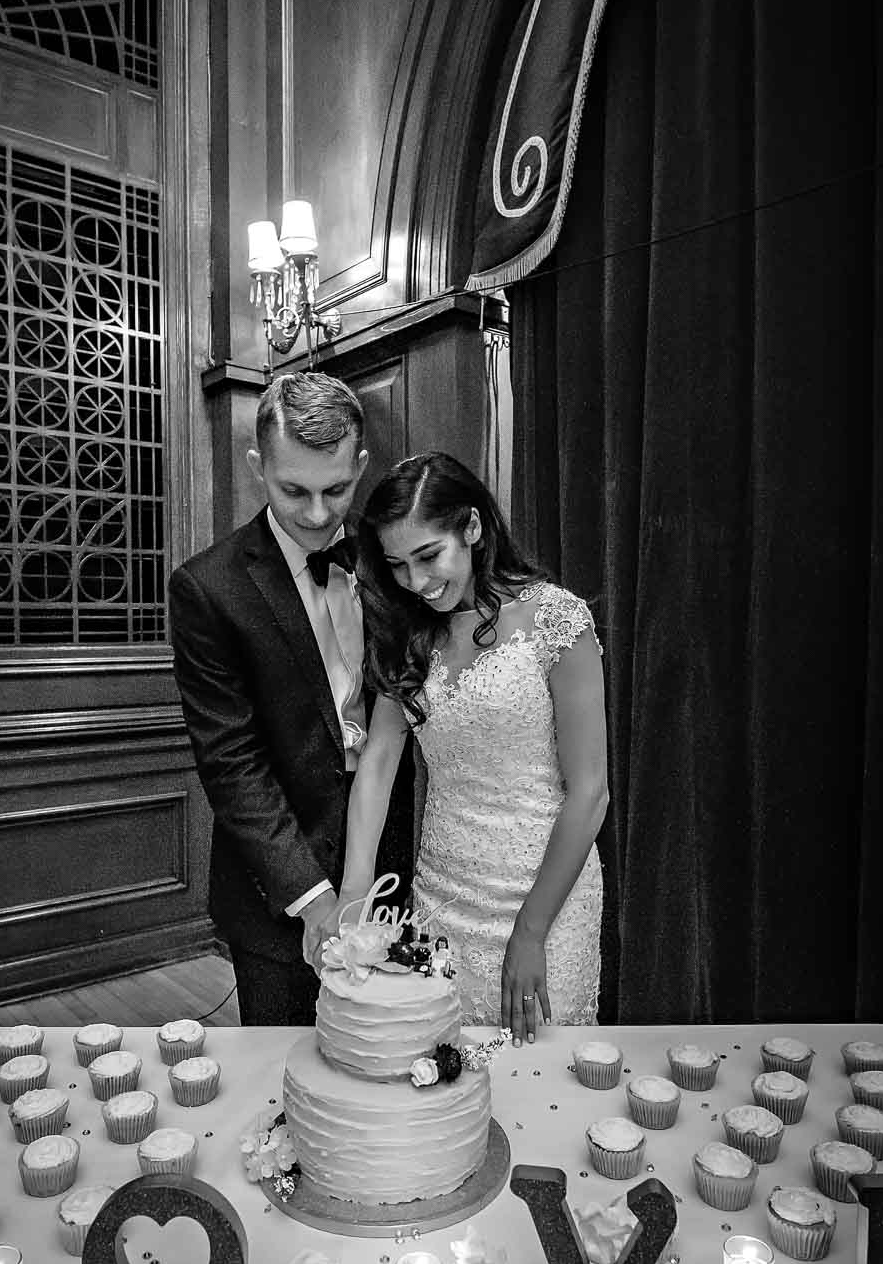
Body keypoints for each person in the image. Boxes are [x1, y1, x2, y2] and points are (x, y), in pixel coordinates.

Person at [312, 451, 608, 1044]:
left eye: (429, 556)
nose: (416, 583)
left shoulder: (556, 618)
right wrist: (354, 892)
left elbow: (591, 793)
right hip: (443, 893)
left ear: (472, 528)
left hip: (546, 894)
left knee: (542, 1069)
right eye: (397, 565)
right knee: (444, 1067)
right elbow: (378, 765)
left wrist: (531, 929)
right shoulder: (406, 632)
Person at [168, 370, 410, 1025]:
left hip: (400, 871)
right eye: (292, 489)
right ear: (258, 467)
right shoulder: (208, 589)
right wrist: (314, 897)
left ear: (361, 465)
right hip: (279, 892)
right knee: (288, 1082)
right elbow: (231, 761)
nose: (317, 513)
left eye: (337, 489)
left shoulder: (396, 561)